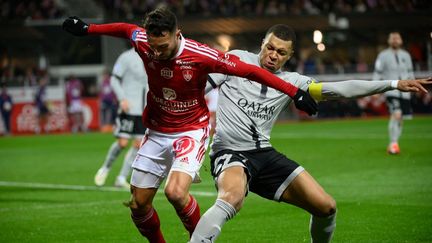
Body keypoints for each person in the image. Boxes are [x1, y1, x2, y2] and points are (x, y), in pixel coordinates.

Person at [62, 8, 318, 243]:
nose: (157, 53)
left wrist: (294, 92)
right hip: (157, 130)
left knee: (175, 192)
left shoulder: (201, 55)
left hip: (190, 129)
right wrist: (88, 29)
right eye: (153, 47)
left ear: (177, 35)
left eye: (163, 46)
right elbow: (125, 29)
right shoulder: (144, 42)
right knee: (139, 204)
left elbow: (250, 71)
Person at [190, 24, 431, 243]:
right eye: (270, 48)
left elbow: (340, 89)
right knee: (232, 197)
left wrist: (393, 84)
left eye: (281, 53)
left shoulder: (292, 81)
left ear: (289, 56)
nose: (273, 55)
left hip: (264, 154)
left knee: (326, 206)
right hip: (229, 152)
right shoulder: (236, 60)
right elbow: (195, 89)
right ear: (263, 43)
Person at [94, 48, 148, 188]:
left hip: (144, 109)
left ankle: (121, 177)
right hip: (128, 107)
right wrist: (122, 98)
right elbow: (114, 79)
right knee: (122, 142)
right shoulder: (126, 57)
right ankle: (105, 168)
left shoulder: (153, 56)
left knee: (138, 145)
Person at [373, 31, 415, 155]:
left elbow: (410, 72)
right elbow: (377, 72)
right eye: (393, 38)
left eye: (397, 38)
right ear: (389, 41)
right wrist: (374, 87)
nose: (395, 40)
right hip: (392, 90)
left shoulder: (406, 55)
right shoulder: (383, 55)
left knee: (401, 118)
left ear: (401, 41)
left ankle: (395, 143)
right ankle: (393, 144)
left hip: (405, 92)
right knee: (396, 114)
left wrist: (413, 85)